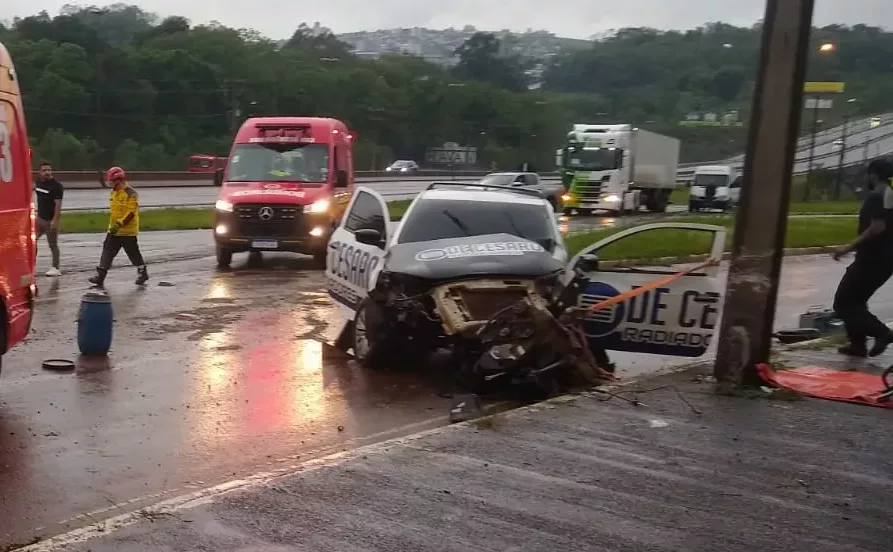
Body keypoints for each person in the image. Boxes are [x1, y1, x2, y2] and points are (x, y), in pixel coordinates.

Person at [831, 158, 893, 357]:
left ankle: (882, 333)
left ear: (874, 174)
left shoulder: (876, 196)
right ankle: (857, 345)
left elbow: (877, 227)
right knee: (856, 300)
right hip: (885, 259)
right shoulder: (890, 194)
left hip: (872, 258)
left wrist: (847, 248)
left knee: (843, 302)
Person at [88, 166, 149, 287]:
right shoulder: (114, 192)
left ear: (118, 180)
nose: (109, 183)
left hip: (127, 231)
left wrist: (119, 224)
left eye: (111, 180)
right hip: (114, 230)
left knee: (133, 253)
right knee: (107, 251)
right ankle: (101, 275)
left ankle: (142, 272)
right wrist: (112, 226)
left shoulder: (131, 193)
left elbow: (131, 213)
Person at [34, 161, 63, 277]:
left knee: (53, 245)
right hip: (39, 219)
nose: (47, 172)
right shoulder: (38, 183)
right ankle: (31, 265)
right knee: (32, 241)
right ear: (40, 172)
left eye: (49, 170)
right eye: (44, 170)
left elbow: (58, 205)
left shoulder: (56, 186)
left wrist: (55, 221)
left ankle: (56, 267)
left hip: (50, 220)